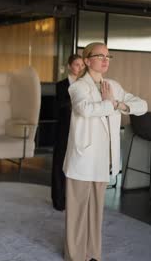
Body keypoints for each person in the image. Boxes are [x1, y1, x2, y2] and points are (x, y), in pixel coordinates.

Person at [63, 42, 147, 261]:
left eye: (108, 56)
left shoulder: (114, 86)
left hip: (103, 160)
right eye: (100, 56)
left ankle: (92, 254)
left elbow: (142, 105)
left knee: (96, 212)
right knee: (78, 213)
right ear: (88, 59)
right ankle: (74, 255)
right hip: (83, 159)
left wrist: (116, 103)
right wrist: (110, 104)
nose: (105, 60)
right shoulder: (78, 86)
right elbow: (84, 109)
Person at [51, 54, 85, 211]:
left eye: (82, 65)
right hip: (64, 130)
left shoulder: (86, 85)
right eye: (77, 65)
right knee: (59, 164)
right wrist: (74, 100)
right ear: (70, 66)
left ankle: (75, 200)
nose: (80, 68)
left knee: (77, 165)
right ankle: (58, 200)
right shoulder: (61, 85)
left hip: (81, 130)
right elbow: (57, 108)